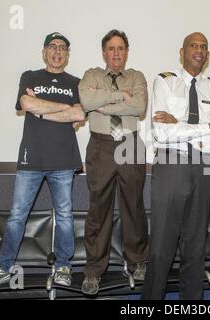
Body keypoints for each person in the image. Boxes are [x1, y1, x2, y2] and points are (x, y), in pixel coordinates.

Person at [0, 32, 85, 289]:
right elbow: (25, 103)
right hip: (31, 159)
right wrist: (57, 108)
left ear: (67, 55)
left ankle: (63, 265)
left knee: (65, 215)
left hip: (64, 160)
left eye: (62, 48)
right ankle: (4, 267)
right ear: (44, 52)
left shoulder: (76, 83)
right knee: (17, 216)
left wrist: (41, 109)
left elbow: (79, 113)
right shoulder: (30, 76)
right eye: (52, 47)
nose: (57, 51)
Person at [141, 32, 210, 300]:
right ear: (182, 52)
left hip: (203, 168)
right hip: (171, 164)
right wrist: (204, 128)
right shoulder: (165, 82)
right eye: (193, 45)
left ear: (208, 55)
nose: (199, 50)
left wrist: (179, 124)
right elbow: (162, 134)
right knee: (161, 245)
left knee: (195, 245)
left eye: (204, 47)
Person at [78, 29, 148, 295]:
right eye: (111, 48)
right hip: (101, 145)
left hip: (130, 142)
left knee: (134, 205)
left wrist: (104, 101)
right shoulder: (92, 75)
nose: (116, 53)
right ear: (104, 52)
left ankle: (138, 261)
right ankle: (94, 271)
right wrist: (121, 96)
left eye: (121, 48)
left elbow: (139, 107)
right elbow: (87, 100)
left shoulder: (136, 77)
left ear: (126, 52)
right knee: (99, 209)